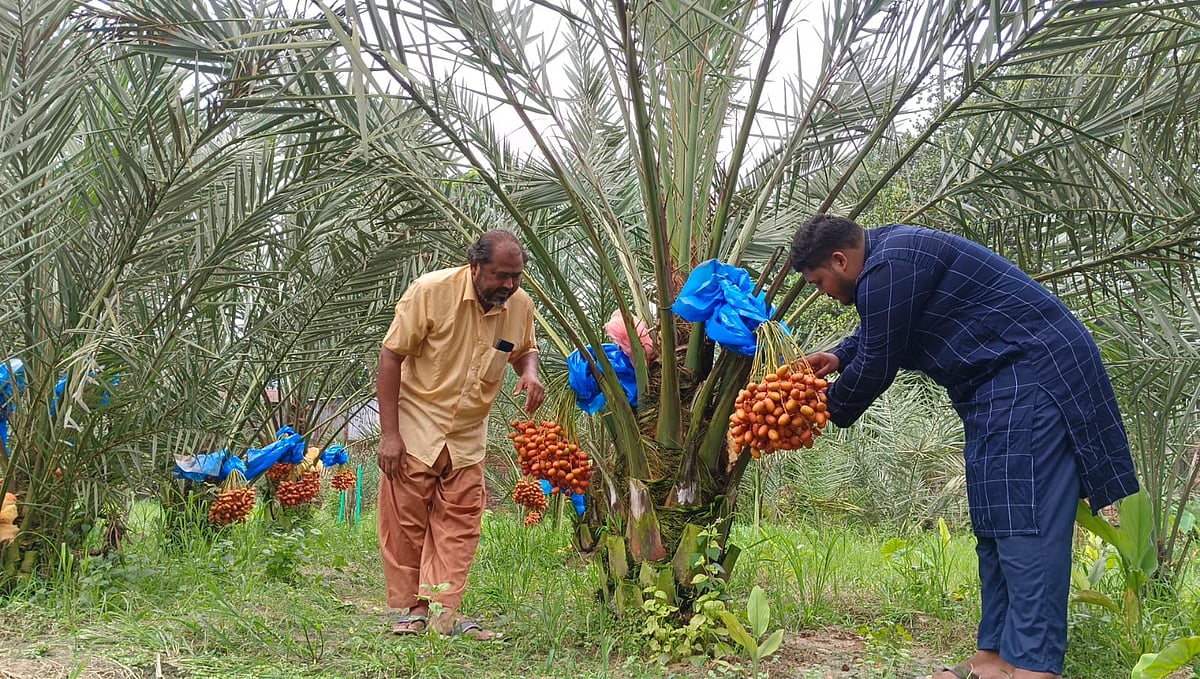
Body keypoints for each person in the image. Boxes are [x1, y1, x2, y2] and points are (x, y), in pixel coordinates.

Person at [789, 215, 1139, 679]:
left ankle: (1034, 665)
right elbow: (878, 334)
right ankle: (994, 654)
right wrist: (838, 356)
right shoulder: (888, 261)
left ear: (840, 260)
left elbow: (878, 360)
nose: (822, 293)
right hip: (997, 386)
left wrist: (813, 412)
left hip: (1032, 373)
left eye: (819, 282)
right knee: (994, 519)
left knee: (1023, 517)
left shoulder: (888, 266)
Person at [376, 229, 544, 640]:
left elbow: (525, 349)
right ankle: (412, 611)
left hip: (469, 435)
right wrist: (389, 435)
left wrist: (530, 374)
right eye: (501, 275)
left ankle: (443, 613)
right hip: (417, 427)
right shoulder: (430, 291)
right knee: (406, 523)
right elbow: (391, 355)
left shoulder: (518, 305)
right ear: (475, 267)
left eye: (516, 276)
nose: (509, 285)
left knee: (461, 525)